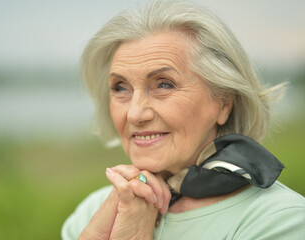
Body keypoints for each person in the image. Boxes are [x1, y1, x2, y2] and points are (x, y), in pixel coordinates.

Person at [62, 0, 305, 239]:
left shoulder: (280, 220)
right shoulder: (92, 213)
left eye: (164, 85)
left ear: (223, 102)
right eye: (120, 87)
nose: (134, 114)